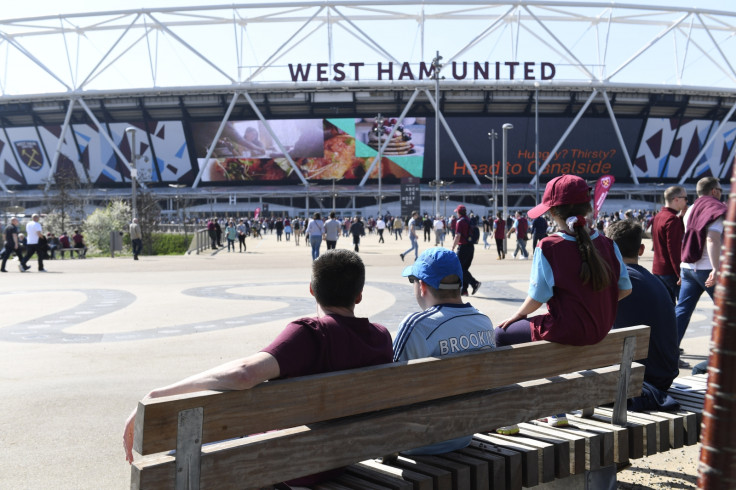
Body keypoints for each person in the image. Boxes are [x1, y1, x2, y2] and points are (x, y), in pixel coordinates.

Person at [122, 250, 392, 486]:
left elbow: (244, 374)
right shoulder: (381, 337)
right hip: (346, 456)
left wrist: (159, 395)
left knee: (176, 459)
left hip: (298, 466)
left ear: (311, 288)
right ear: (358, 296)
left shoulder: (310, 333)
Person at [494, 175, 632, 433]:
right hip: (599, 330)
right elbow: (625, 288)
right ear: (588, 209)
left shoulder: (549, 246)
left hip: (566, 330)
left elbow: (538, 297)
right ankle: (555, 410)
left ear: (554, 213)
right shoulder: (608, 244)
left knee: (501, 336)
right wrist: (592, 303)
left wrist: (515, 316)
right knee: (544, 337)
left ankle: (509, 416)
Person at [394, 247, 495, 454]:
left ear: (422, 286)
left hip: (419, 442)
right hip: (464, 435)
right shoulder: (483, 322)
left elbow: (389, 386)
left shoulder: (417, 326)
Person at [606, 220, 680, 408]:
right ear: (641, 249)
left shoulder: (615, 284)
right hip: (664, 375)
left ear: (608, 249)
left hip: (640, 379)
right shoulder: (656, 282)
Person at [675, 176, 726, 346]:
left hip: (688, 268)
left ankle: (667, 352)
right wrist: (716, 268)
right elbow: (713, 239)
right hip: (707, 269)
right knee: (728, 311)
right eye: (720, 190)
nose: (721, 194)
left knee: (682, 311)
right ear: (713, 191)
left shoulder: (690, 210)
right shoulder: (715, 208)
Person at [651, 185, 687, 304]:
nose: (687, 201)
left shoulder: (658, 216)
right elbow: (674, 250)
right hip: (670, 272)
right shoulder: (672, 220)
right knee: (682, 307)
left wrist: (681, 218)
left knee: (665, 307)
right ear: (676, 199)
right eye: (685, 198)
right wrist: (679, 273)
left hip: (657, 269)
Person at [451, 205, 481, 296]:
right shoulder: (469, 220)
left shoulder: (459, 222)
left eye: (457, 211)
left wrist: (452, 247)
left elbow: (457, 236)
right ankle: (464, 290)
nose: (456, 213)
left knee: (459, 268)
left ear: (459, 212)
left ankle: (474, 283)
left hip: (463, 247)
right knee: (464, 269)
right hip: (471, 247)